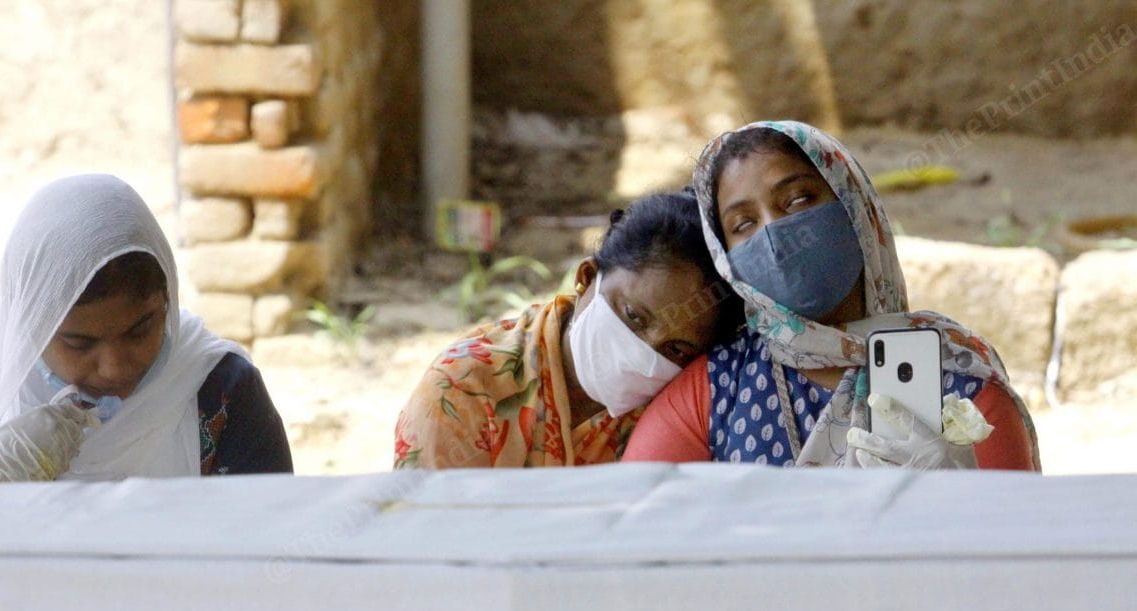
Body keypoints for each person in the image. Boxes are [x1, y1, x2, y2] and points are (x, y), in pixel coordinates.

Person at [623, 121, 1040, 470]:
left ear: (854, 207)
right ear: (726, 257)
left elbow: (1012, 547)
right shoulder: (719, 389)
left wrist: (956, 494)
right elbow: (639, 530)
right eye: (743, 224)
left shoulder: (958, 379)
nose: (773, 235)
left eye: (798, 200)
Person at [0, 174, 292, 483]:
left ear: (167, 301)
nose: (115, 368)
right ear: (30, 322)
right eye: (78, 343)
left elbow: (271, 540)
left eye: (140, 331)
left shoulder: (220, 394)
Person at [394, 190, 742, 468]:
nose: (644, 353)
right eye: (634, 317)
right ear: (587, 277)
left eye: (675, 349)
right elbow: (427, 535)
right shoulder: (465, 387)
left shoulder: (681, 413)